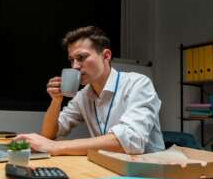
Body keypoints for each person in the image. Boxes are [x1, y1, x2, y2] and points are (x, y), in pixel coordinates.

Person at [14, 26, 165, 155]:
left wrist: (55, 147)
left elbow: (132, 141)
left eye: (81, 57)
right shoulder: (83, 95)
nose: (75, 66)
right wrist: (55, 101)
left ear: (106, 55)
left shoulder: (138, 83)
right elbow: (50, 134)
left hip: (150, 171)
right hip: (110, 167)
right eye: (72, 60)